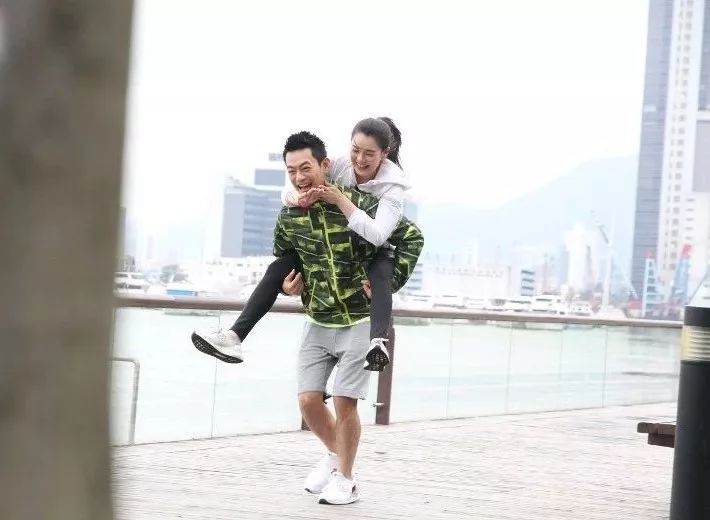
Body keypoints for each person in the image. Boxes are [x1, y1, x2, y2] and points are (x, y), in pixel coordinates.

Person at [191, 117, 411, 371]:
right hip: (334, 251)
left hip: (371, 252)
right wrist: (298, 199)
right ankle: (234, 336)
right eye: (355, 150)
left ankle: (378, 342)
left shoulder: (393, 188)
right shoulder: (340, 164)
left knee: (382, 270)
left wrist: (341, 201)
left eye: (369, 153)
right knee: (278, 267)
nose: (360, 159)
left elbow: (381, 236)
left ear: (385, 153)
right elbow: (298, 182)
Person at [273, 131, 422, 504]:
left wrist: (389, 282)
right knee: (308, 401)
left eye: (305, 167)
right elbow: (286, 259)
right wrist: (288, 287)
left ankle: (346, 479)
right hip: (318, 318)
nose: (299, 177)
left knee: (344, 400)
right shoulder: (291, 212)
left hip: (357, 318)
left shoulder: (365, 202)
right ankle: (334, 454)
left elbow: (411, 237)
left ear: (324, 165)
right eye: (291, 170)